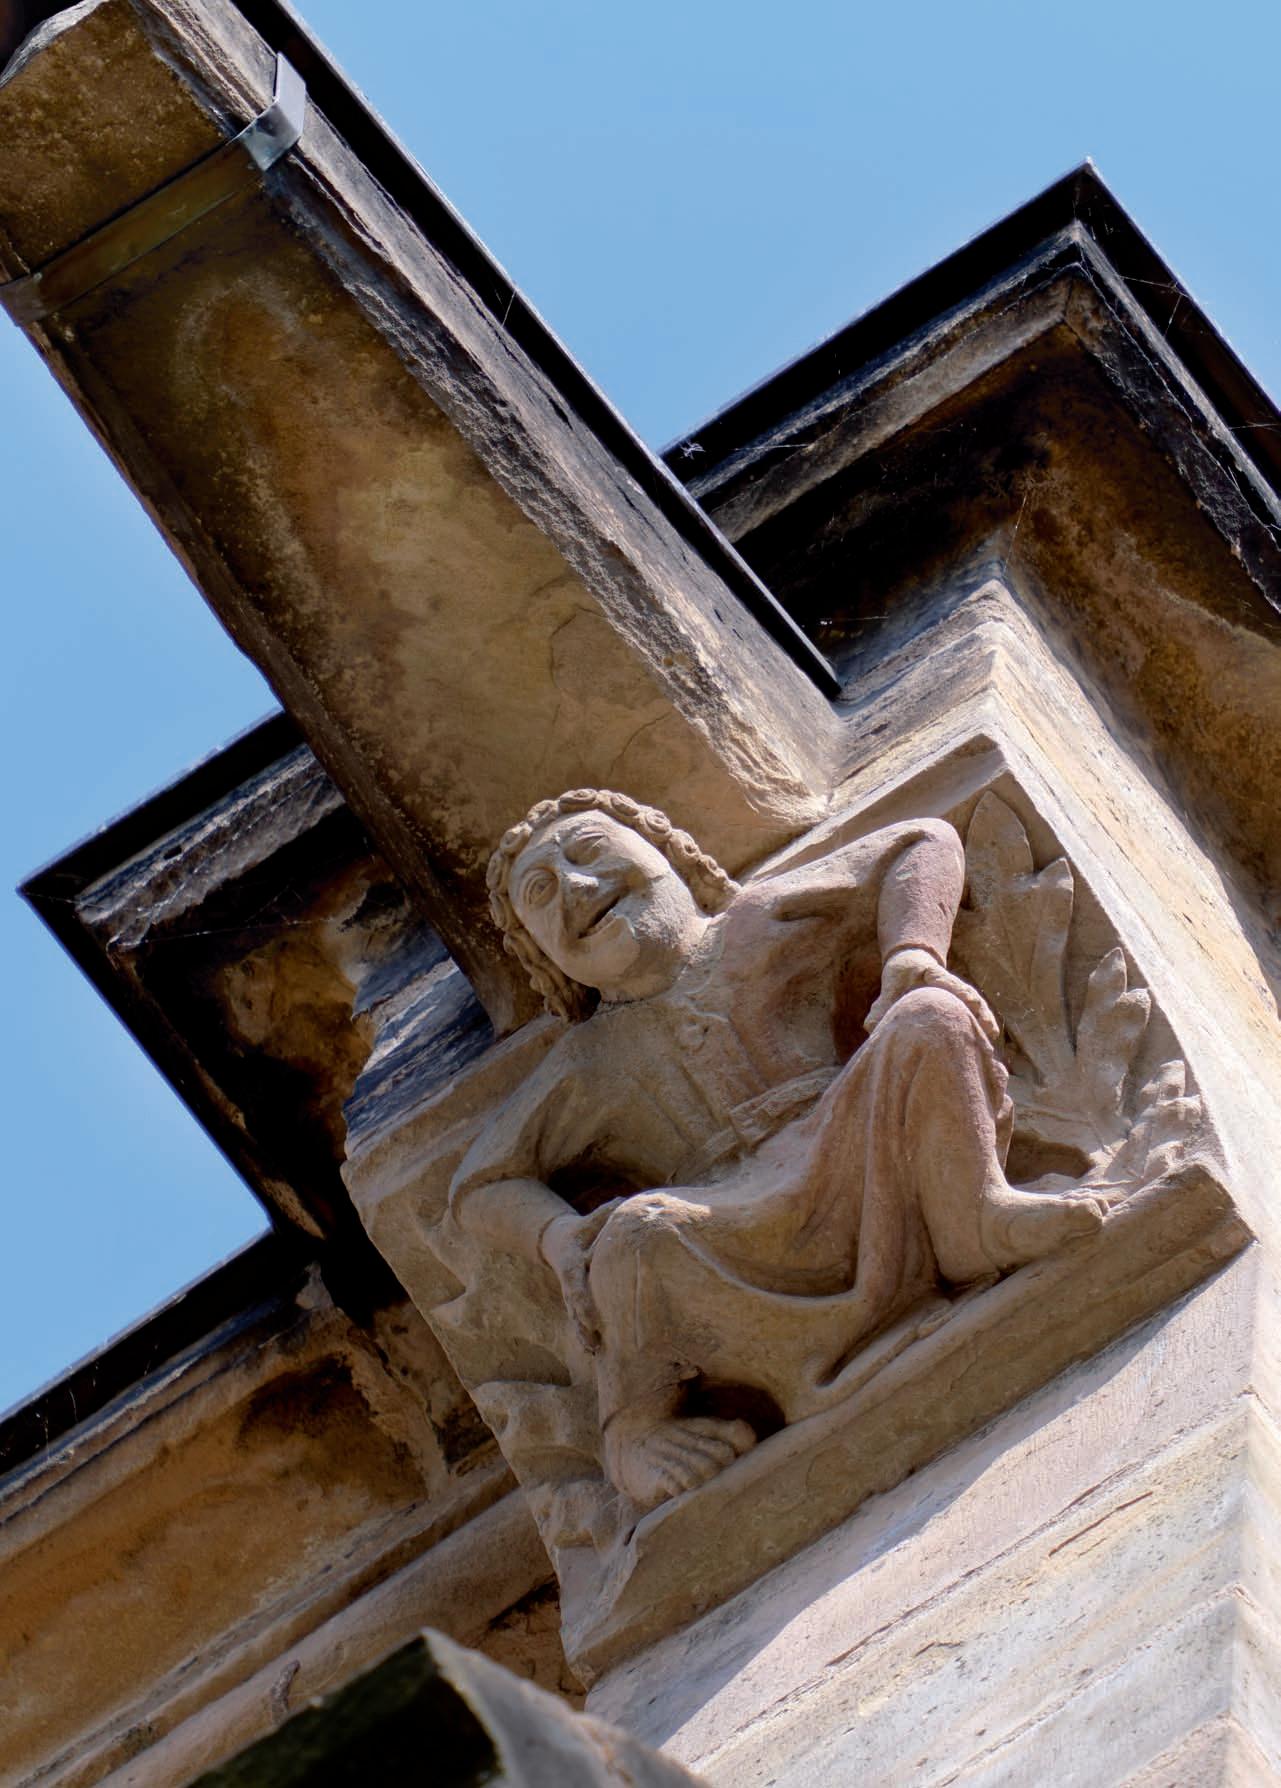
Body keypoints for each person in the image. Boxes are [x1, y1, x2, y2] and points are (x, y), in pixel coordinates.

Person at [447, 789, 1103, 1513]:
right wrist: (557, 1236)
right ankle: (634, 1426)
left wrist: (912, 956)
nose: (576, 886)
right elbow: (480, 1183)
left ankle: (973, 1215)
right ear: (547, 961)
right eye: (541, 893)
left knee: (926, 1015)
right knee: (632, 1234)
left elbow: (919, 841)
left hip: (853, 1143)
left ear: (668, 855)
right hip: (736, 1220)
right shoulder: (586, 1060)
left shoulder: (756, 921)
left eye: (590, 850)